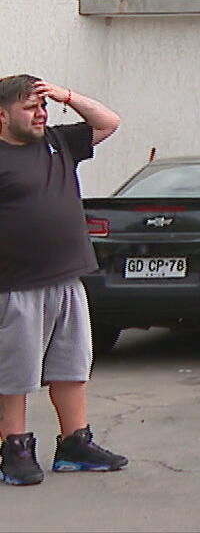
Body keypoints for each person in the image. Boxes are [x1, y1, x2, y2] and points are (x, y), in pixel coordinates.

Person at [0, 75, 127, 486]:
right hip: (14, 285)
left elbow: (108, 122)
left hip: (67, 278)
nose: (41, 114)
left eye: (43, 107)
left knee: (71, 366)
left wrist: (65, 95)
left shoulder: (58, 141)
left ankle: (75, 444)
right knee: (14, 372)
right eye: (30, 107)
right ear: (2, 115)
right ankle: (14, 448)